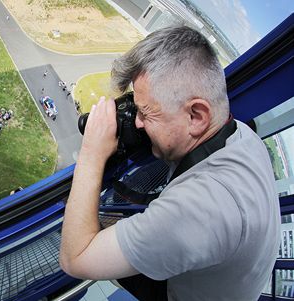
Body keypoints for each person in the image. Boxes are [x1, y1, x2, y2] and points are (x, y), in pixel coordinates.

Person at [59, 26, 280, 300]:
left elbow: (75, 259)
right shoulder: (244, 136)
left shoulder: (199, 210)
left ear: (196, 117)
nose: (137, 123)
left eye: (145, 112)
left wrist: (92, 151)